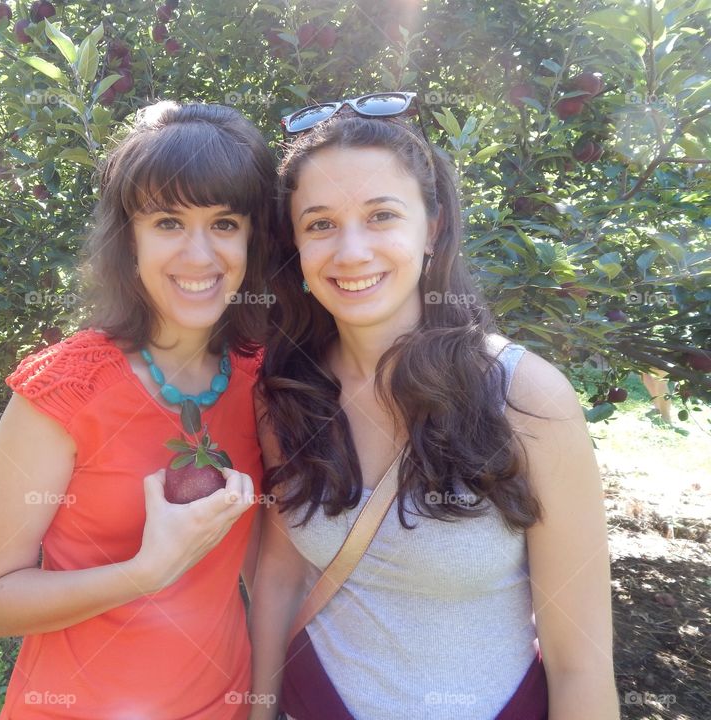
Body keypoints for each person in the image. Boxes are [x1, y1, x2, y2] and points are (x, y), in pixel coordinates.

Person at [248, 93, 619, 719]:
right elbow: (279, 580)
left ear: (434, 226)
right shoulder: (288, 393)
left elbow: (579, 665)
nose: (351, 251)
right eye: (320, 224)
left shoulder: (526, 399)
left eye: (382, 215)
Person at [0, 100, 276, 719]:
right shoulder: (65, 389)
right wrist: (147, 570)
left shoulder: (260, 377)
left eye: (224, 223)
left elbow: (265, 566)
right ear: (127, 239)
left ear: (252, 237)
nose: (199, 256)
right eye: (167, 222)